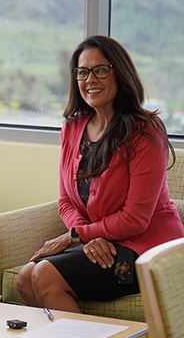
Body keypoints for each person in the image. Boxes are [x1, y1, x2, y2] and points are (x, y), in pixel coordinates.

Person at [16, 35, 184, 312]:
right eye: (82, 72)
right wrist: (88, 236)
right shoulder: (72, 128)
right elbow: (66, 201)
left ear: (120, 73)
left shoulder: (145, 132)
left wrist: (74, 237)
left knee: (44, 276)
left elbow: (136, 219)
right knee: (24, 279)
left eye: (100, 70)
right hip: (98, 242)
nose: (90, 79)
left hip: (145, 250)